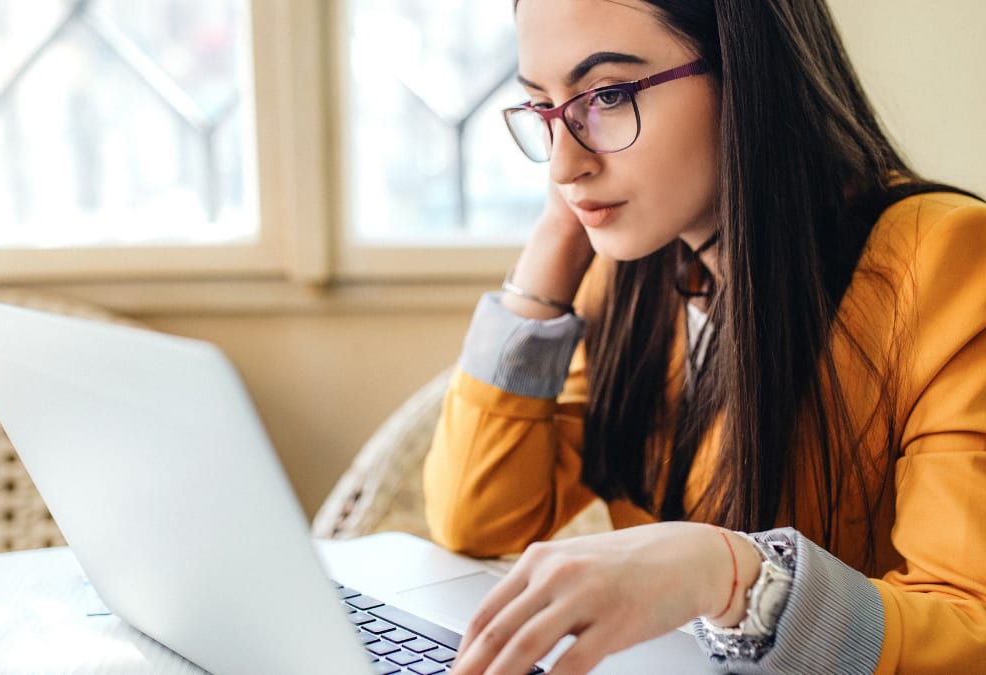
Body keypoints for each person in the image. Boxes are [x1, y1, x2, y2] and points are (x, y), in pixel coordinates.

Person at [421, 0, 986, 673]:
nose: (562, 165)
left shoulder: (946, 260)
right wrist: (552, 248)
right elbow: (475, 520)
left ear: (746, 76)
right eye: (543, 108)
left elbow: (969, 628)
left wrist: (733, 576)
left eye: (606, 96)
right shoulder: (625, 275)